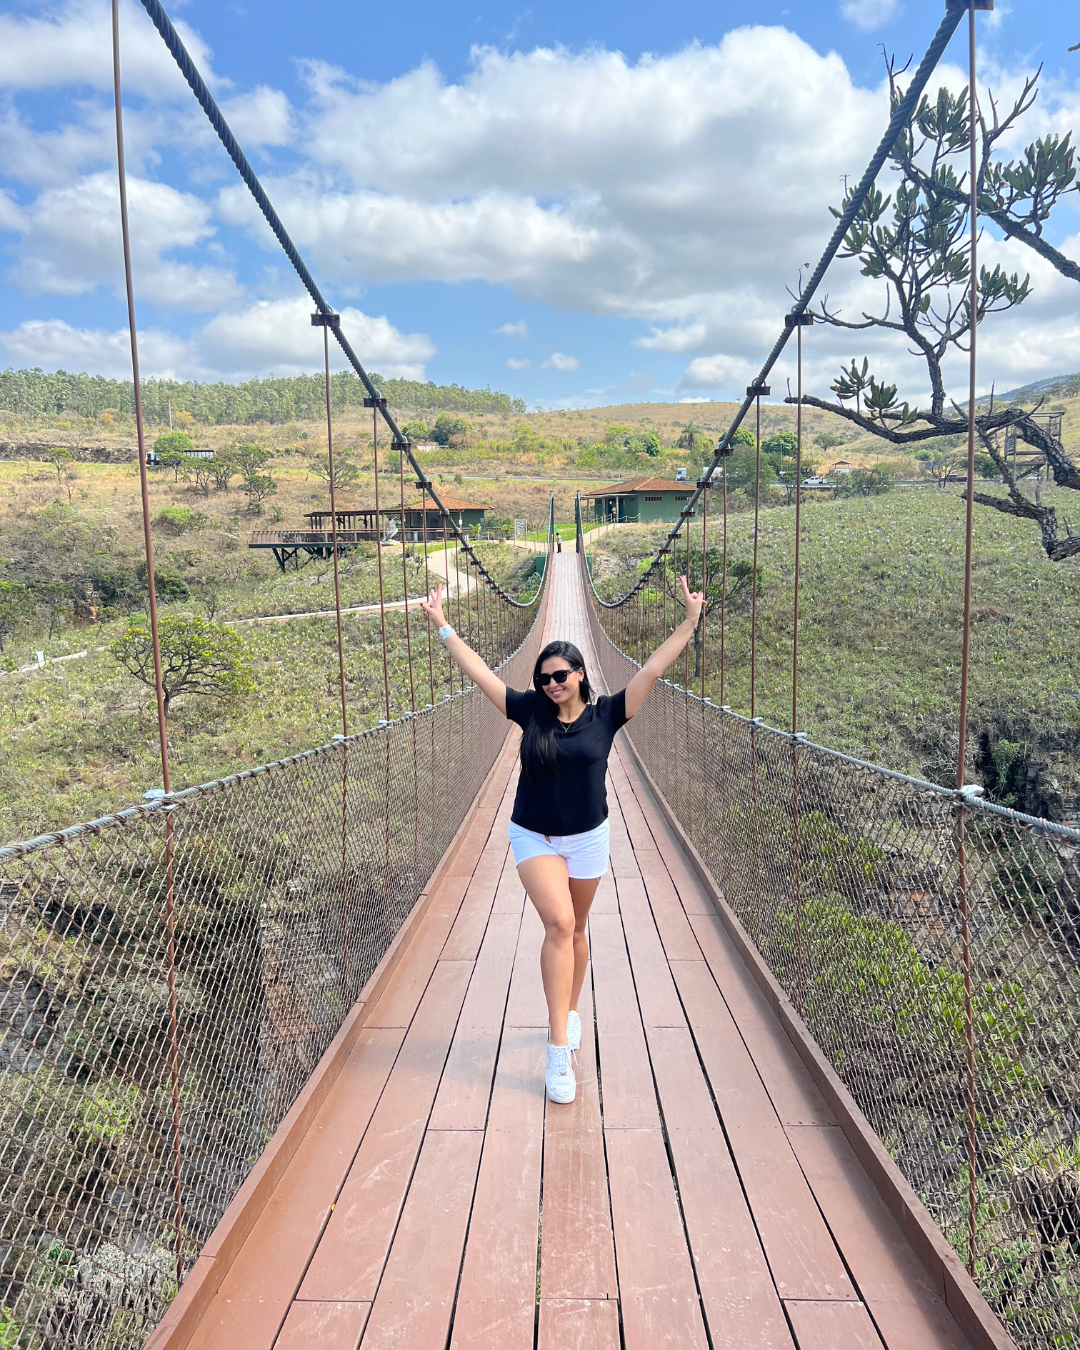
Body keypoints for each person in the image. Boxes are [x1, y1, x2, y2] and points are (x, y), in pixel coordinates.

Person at [419, 575, 705, 1104]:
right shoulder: (529, 711)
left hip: (589, 838)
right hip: (534, 835)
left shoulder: (607, 715)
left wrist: (690, 621)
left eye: (560, 675)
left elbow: (653, 668)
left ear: (580, 675)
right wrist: (442, 625)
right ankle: (557, 1049)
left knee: (578, 930)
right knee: (559, 923)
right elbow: (480, 672)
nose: (551, 684)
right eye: (544, 677)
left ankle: (571, 1011)